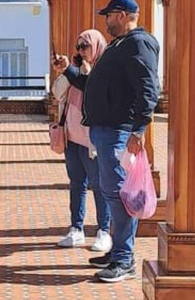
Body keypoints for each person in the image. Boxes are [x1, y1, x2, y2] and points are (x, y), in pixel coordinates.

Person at [55, 0, 159, 283]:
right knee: (109, 191)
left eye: (110, 16)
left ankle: (124, 260)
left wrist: (139, 130)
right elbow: (94, 86)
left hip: (118, 131)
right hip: (103, 130)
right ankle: (117, 254)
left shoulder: (139, 43)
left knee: (120, 195)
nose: (107, 21)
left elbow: (149, 88)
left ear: (123, 15)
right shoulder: (119, 44)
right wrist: (69, 70)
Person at [51, 29, 112, 253]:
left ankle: (104, 230)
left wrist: (79, 71)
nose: (80, 51)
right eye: (78, 47)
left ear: (95, 47)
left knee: (99, 185)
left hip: (92, 139)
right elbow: (57, 93)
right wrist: (68, 72)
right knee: (77, 183)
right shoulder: (74, 72)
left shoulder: (102, 69)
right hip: (71, 137)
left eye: (84, 46)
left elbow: (93, 90)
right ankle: (76, 229)